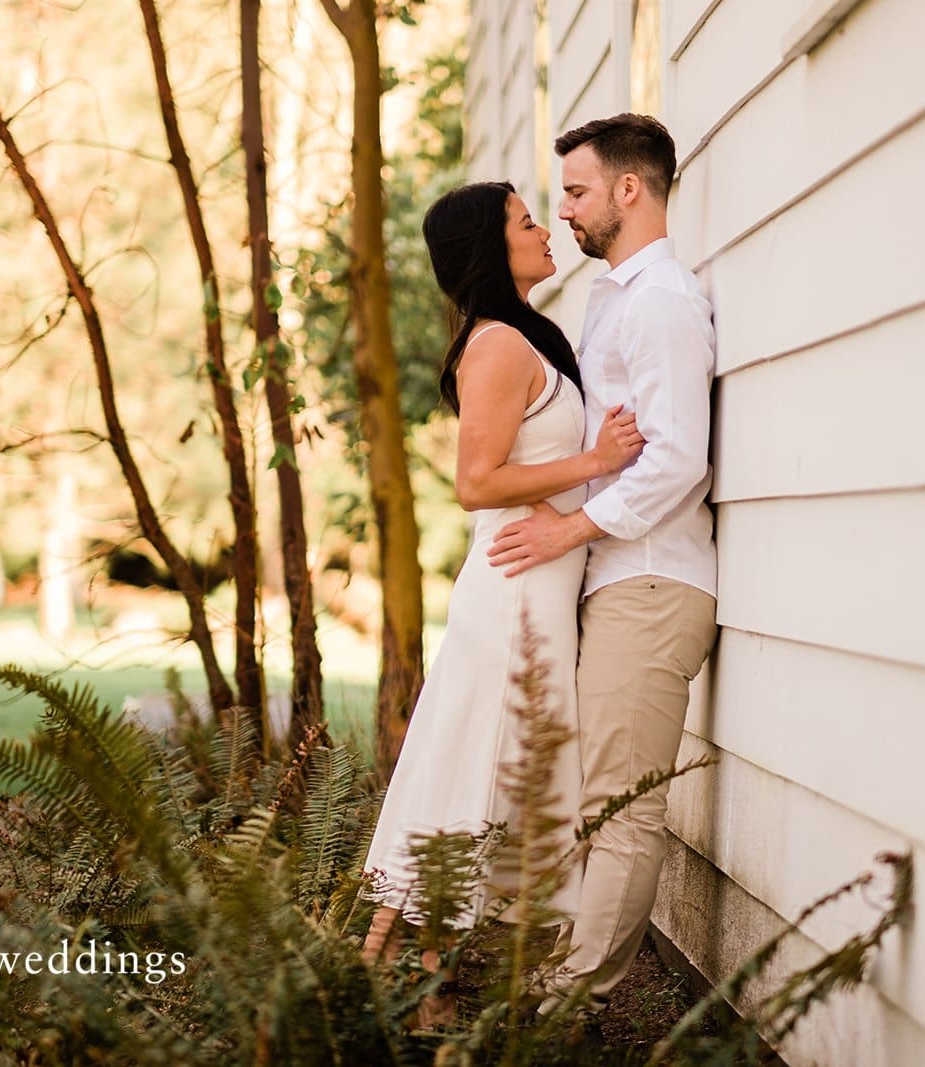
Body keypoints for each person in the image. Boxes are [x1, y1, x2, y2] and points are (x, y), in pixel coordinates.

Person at [359, 180, 647, 1022]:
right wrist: (595, 463)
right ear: (494, 246)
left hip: (541, 593)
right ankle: (403, 976)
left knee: (475, 770)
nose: (548, 225)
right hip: (512, 596)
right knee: (470, 771)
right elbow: (475, 482)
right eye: (527, 221)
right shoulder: (495, 347)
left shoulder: (533, 337)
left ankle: (407, 973)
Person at [485, 114, 719, 1015]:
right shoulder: (610, 298)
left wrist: (568, 530)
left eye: (577, 192)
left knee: (623, 807)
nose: (565, 211)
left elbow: (677, 459)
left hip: (653, 581)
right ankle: (558, 984)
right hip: (618, 581)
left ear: (631, 189)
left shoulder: (661, 300)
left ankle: (566, 1006)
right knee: (597, 799)